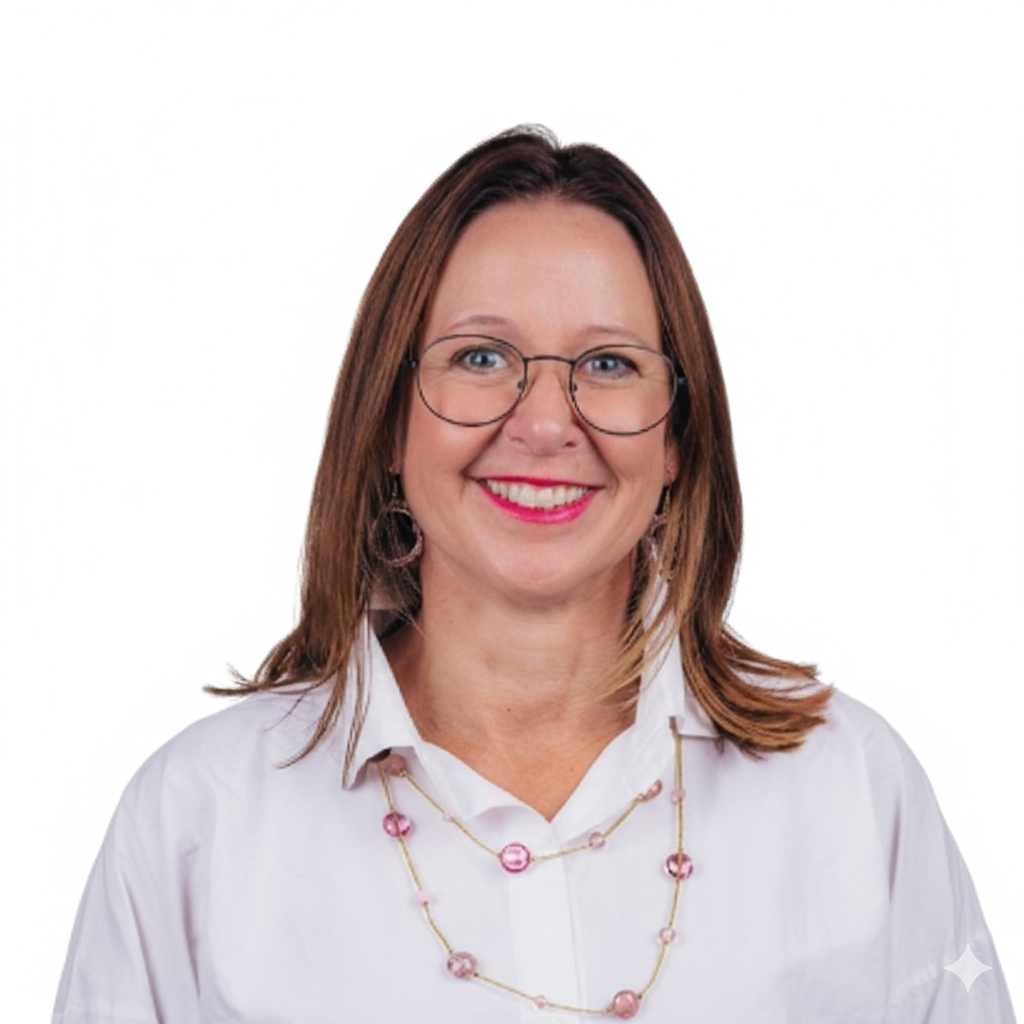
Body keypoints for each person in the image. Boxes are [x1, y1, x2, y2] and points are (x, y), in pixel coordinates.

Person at [53, 126, 1016, 1023]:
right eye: (481, 356)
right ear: (389, 419)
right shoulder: (201, 820)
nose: (548, 423)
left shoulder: (851, 790)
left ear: (679, 436)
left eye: (606, 363)